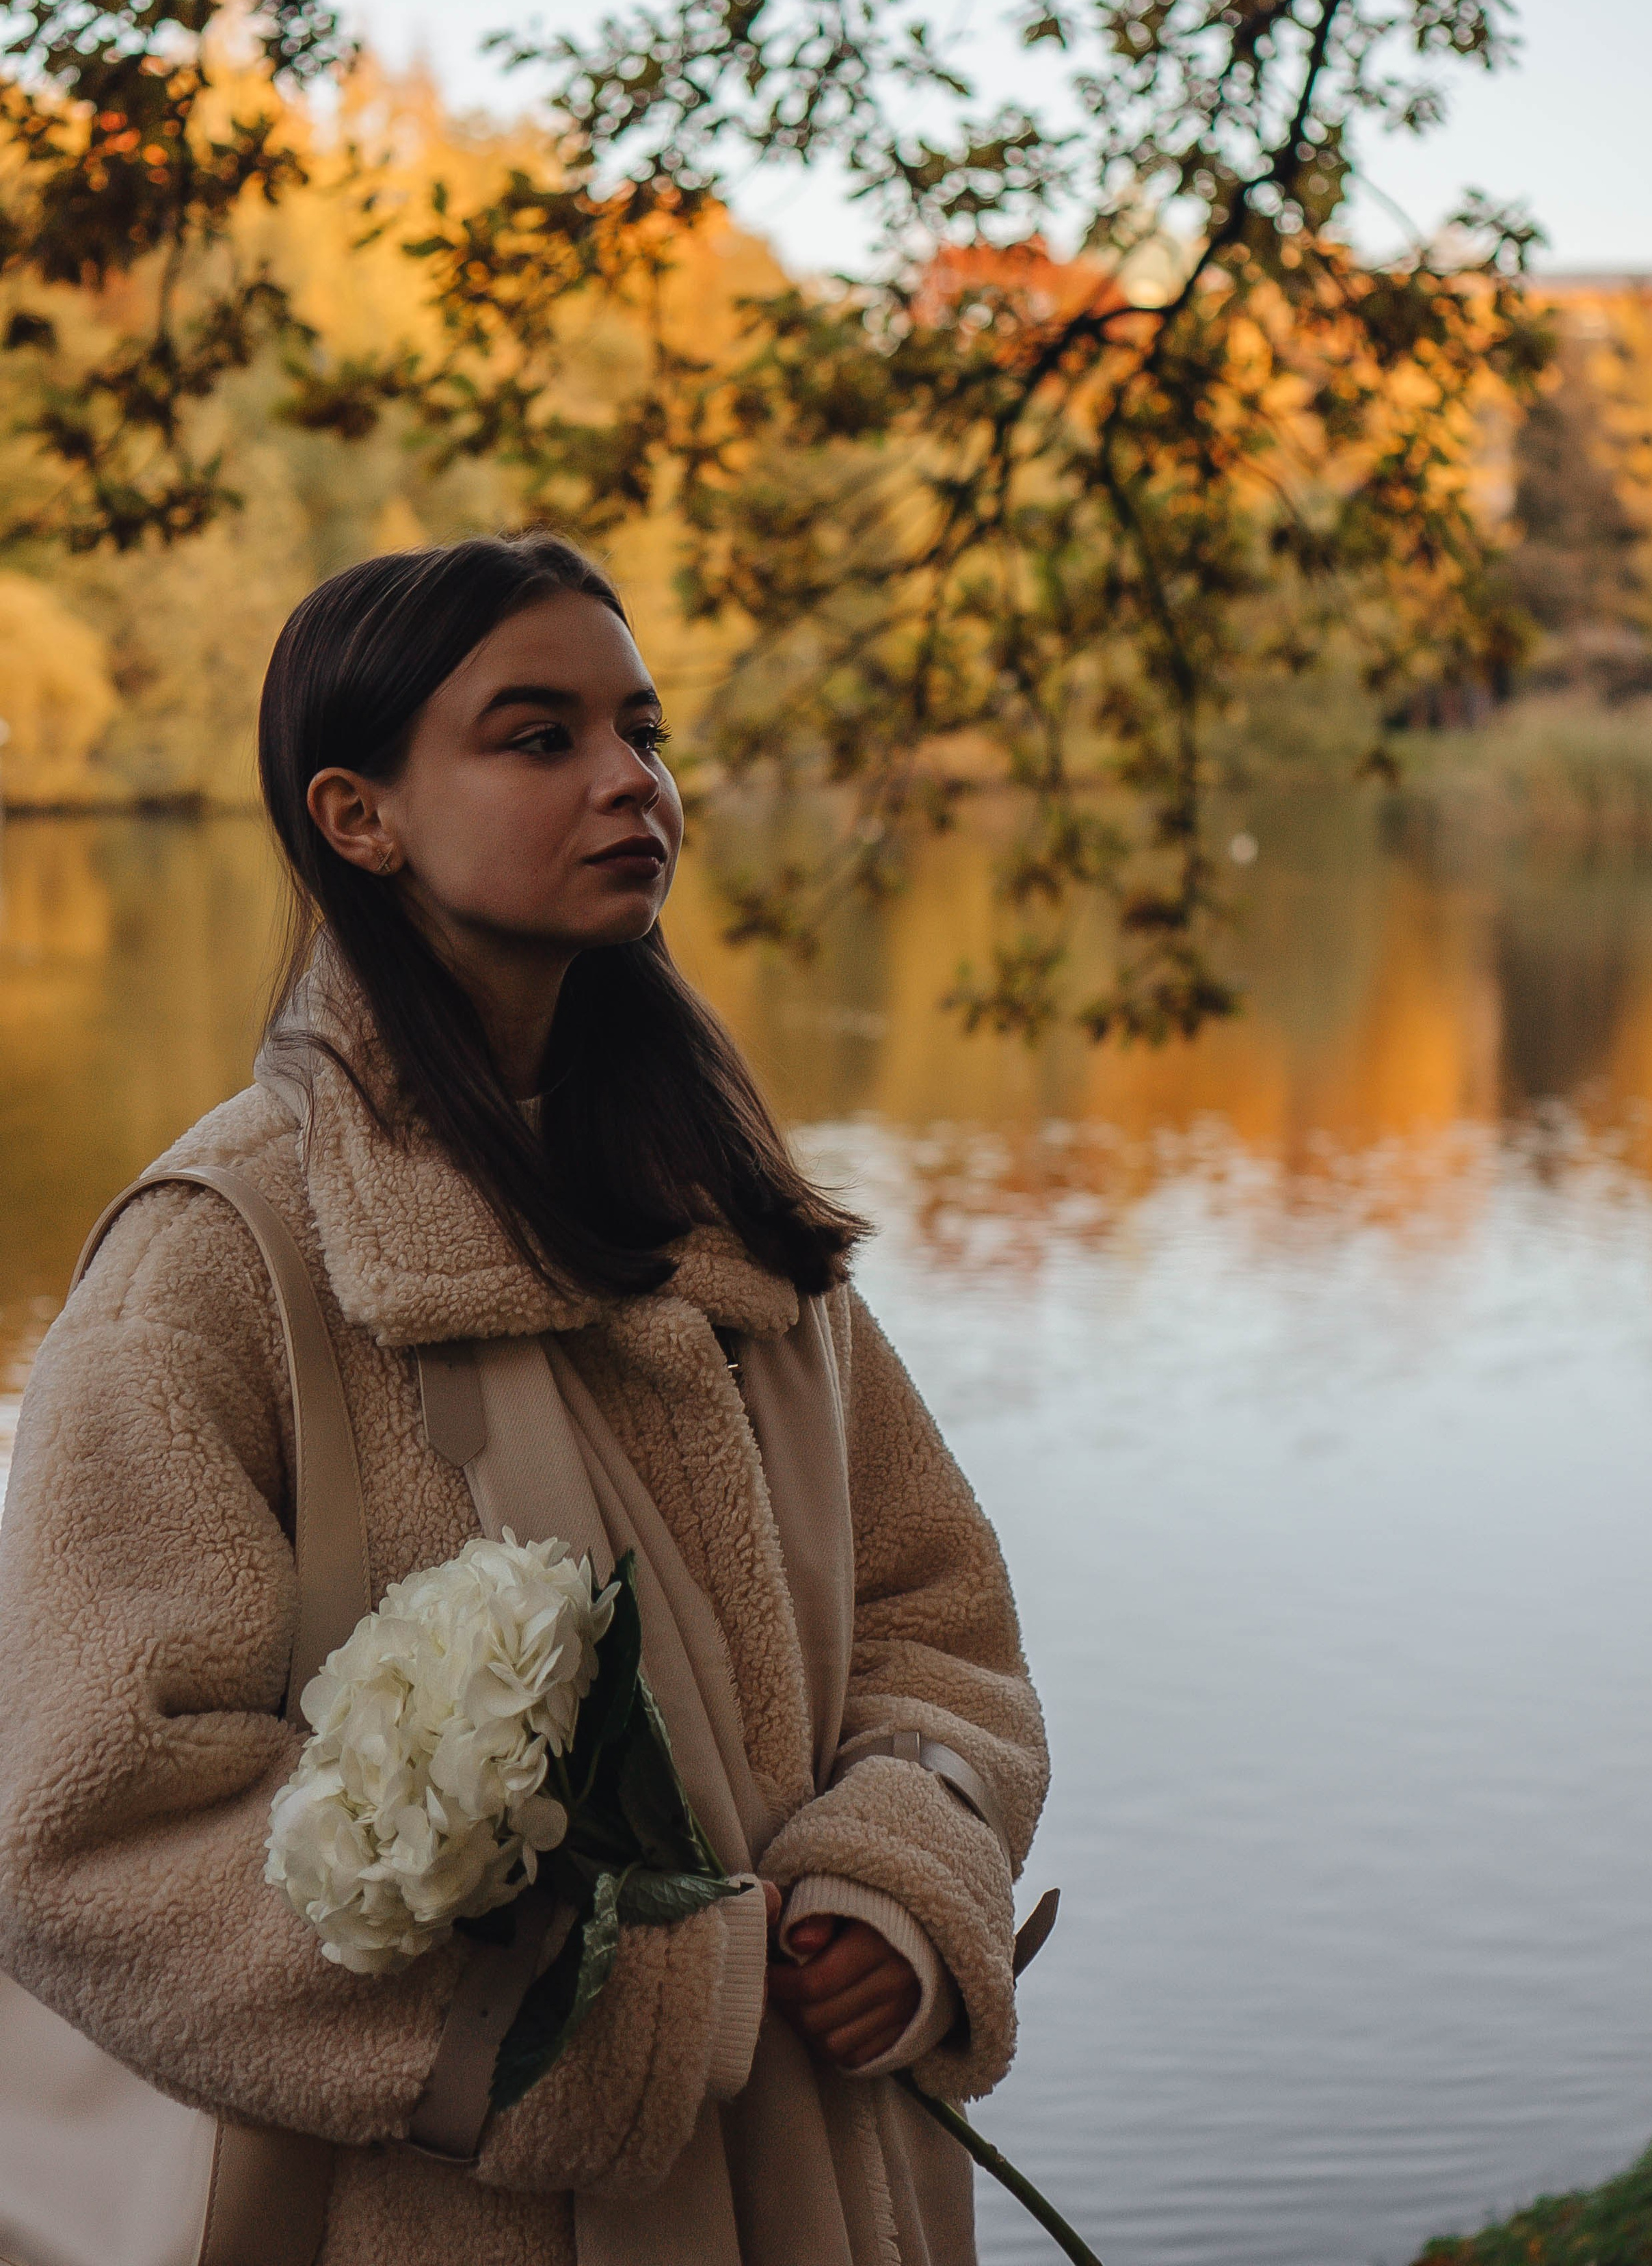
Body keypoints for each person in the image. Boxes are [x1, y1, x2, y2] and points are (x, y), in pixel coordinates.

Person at [0, 533, 1048, 2265]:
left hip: (824, 2180)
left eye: (642, 731)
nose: (631, 781)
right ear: (358, 817)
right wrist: (610, 2013)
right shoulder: (217, 1260)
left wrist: (892, 1875)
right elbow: (91, 1828)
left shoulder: (727, 1217)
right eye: (540, 737)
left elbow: (934, 1616)